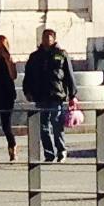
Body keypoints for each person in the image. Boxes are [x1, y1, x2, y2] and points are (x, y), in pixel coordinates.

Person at [21, 27, 74, 163]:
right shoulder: (35, 56)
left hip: (56, 94)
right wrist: (27, 91)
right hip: (40, 94)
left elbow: (69, 75)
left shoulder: (61, 54)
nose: (47, 39)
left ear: (54, 39)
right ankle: (49, 154)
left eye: (49, 37)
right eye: (45, 37)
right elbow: (28, 76)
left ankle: (61, 151)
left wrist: (72, 95)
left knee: (56, 123)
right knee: (43, 126)